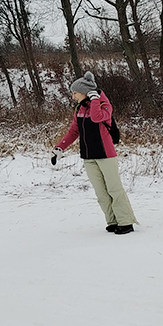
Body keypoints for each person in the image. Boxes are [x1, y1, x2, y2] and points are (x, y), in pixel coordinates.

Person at [51, 71, 137, 234]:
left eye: (75, 93)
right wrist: (60, 147)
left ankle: (125, 222)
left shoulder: (105, 105)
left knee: (114, 189)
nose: (73, 96)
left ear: (85, 92)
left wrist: (95, 98)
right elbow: (74, 131)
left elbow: (98, 118)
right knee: (101, 192)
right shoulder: (79, 108)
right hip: (89, 156)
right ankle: (112, 221)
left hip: (106, 155)